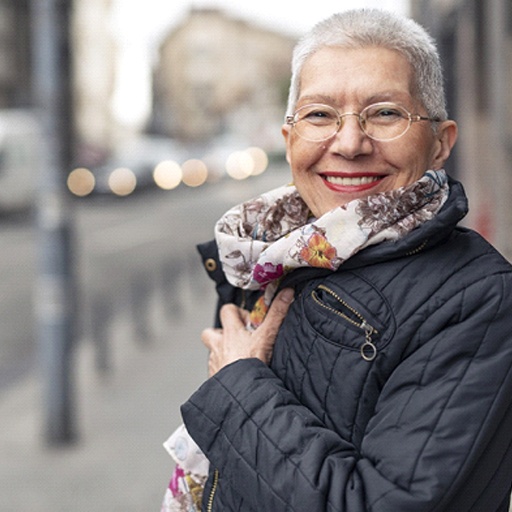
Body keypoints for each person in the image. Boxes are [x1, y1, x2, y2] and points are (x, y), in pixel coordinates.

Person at [167, 8, 512, 512]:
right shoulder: (267, 254)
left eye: (386, 113)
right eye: (320, 115)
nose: (349, 143)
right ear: (290, 141)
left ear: (441, 143)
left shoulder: (480, 299)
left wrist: (237, 384)